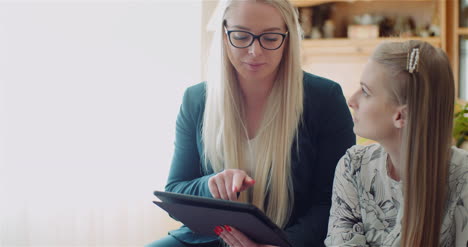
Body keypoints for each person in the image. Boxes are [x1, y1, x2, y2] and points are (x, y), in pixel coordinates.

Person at [147, 0, 355, 246]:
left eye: (269, 38)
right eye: (241, 36)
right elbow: (175, 193)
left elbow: (334, 201)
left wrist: (284, 243)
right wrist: (209, 186)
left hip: (293, 239)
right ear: (224, 36)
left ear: (287, 40)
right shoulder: (196, 100)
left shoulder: (325, 98)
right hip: (212, 238)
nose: (254, 51)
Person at [324, 40, 468, 247]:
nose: (351, 100)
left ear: (402, 115)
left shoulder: (463, 178)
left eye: (365, 91)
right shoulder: (353, 166)